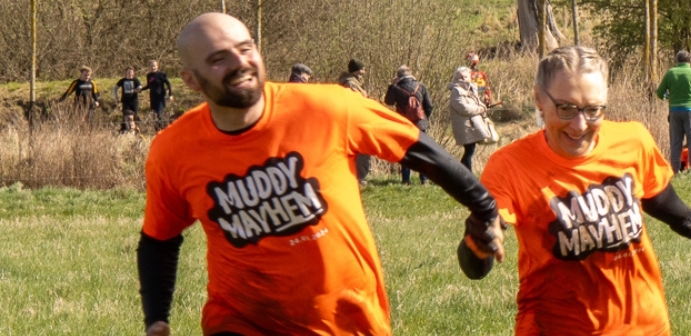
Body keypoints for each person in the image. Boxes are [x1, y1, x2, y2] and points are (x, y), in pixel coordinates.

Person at [136, 13, 500, 335]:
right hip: (241, 320)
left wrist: (484, 208)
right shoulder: (174, 150)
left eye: (246, 48)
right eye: (218, 59)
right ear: (190, 80)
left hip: (347, 319)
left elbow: (418, 149)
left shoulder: (326, 107)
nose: (239, 62)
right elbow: (159, 238)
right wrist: (156, 319)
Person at [465, 45, 691, 334]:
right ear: (538, 99)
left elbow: (665, 204)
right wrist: (479, 239)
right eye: (566, 108)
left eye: (593, 110)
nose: (580, 124)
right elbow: (476, 264)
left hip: (644, 327)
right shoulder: (510, 166)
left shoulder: (633, 140)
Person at [655, 50, 691, 174]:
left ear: (677, 61)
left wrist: (667, 96)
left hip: (674, 112)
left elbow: (659, 93)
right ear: (689, 61)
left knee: (675, 143)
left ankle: (675, 171)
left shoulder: (670, 74)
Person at [385, 65, 438, 185]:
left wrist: (392, 85)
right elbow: (429, 106)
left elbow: (388, 102)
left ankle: (405, 180)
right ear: (411, 73)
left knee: (405, 152)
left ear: (398, 76)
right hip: (421, 124)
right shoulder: (421, 86)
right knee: (422, 152)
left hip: (404, 124)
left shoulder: (396, 88)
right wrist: (424, 118)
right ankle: (424, 180)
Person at [446, 67, 491, 171]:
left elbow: (476, 102)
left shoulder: (470, 88)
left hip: (472, 124)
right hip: (465, 126)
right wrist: (479, 109)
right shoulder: (456, 91)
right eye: (460, 77)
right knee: (469, 151)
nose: (463, 79)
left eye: (465, 76)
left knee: (470, 150)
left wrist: (483, 106)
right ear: (456, 78)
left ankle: (460, 173)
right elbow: (463, 108)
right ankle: (465, 174)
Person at [338, 59, 374, 182]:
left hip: (350, 121)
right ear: (357, 71)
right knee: (362, 150)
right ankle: (359, 178)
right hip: (354, 121)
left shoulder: (350, 82)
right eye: (362, 69)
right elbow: (359, 101)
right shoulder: (351, 84)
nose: (364, 72)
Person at [143, 60, 177, 127]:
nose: (153, 67)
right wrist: (140, 90)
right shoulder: (149, 75)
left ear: (157, 66)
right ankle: (156, 130)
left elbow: (168, 84)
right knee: (154, 114)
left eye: (154, 66)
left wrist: (170, 94)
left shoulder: (161, 74)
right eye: (151, 66)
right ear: (149, 67)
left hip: (160, 97)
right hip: (153, 97)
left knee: (159, 114)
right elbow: (148, 86)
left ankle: (162, 129)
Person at [117, 67, 145, 133]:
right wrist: (116, 97)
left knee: (134, 115)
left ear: (133, 73)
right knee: (125, 116)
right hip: (125, 101)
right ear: (126, 72)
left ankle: (135, 129)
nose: (130, 73)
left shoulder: (135, 80)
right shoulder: (122, 80)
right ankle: (124, 129)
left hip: (134, 101)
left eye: (131, 72)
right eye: (128, 72)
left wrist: (137, 90)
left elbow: (140, 87)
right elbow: (115, 88)